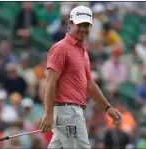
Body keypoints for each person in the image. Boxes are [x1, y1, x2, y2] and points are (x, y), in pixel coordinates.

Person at [40, 5, 122, 149]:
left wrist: (108, 108)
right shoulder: (61, 48)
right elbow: (50, 83)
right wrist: (48, 113)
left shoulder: (83, 51)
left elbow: (90, 85)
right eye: (79, 24)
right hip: (68, 112)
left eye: (86, 25)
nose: (83, 29)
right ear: (70, 23)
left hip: (73, 112)